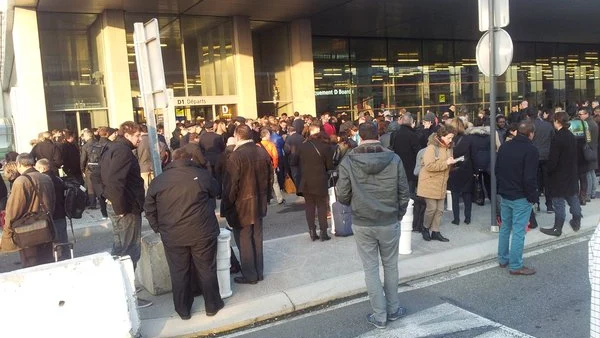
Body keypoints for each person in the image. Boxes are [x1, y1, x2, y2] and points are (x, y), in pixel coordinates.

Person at [336, 122, 410, 329]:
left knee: (370, 269)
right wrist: (399, 214)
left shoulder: (349, 160)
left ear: (359, 136)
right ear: (378, 135)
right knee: (390, 265)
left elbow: (342, 195)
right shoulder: (394, 158)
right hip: (388, 220)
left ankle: (380, 315)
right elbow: (404, 192)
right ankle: (393, 309)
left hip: (363, 221)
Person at [145, 148, 224, 320]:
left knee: (179, 271)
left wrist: (158, 227)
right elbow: (216, 190)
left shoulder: (159, 181)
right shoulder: (201, 175)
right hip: (202, 232)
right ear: (189, 159)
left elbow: (149, 208)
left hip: (173, 234)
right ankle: (212, 305)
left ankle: (183, 310)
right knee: (206, 268)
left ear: (172, 160)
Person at [100, 121, 151, 308]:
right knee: (129, 252)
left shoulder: (113, 148)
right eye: (138, 136)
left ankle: (119, 292)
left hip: (120, 205)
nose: (140, 139)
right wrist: (120, 208)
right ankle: (128, 295)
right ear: (127, 134)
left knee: (121, 249)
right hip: (126, 208)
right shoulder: (122, 151)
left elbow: (102, 176)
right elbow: (115, 181)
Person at [224, 124, 272, 284]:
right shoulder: (260, 151)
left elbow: (231, 185)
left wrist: (227, 207)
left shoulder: (236, 156)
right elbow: (270, 177)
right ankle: (258, 271)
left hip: (242, 205)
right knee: (257, 237)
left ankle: (250, 274)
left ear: (237, 136)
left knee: (244, 239)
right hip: (258, 201)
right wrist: (267, 198)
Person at [496, 121, 539, 276]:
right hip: (521, 195)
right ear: (531, 133)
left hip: (505, 193)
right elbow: (530, 177)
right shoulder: (531, 150)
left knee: (505, 227)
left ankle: (502, 259)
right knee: (519, 231)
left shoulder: (504, 146)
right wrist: (532, 196)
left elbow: (497, 170)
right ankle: (516, 265)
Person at [0, 153, 56, 267]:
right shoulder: (45, 177)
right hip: (45, 226)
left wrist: (7, 232)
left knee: (31, 264)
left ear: (19, 164)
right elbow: (52, 201)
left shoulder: (20, 181)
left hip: (27, 229)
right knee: (47, 263)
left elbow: (13, 210)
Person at [540, 111, 582, 237]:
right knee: (572, 197)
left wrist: (548, 170)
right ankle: (576, 220)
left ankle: (557, 228)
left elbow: (553, 160)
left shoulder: (557, 138)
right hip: (571, 173)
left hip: (559, 175)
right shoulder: (571, 136)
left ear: (557, 122)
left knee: (558, 202)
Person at [294, 125, 334, 241]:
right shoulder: (325, 146)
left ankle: (312, 230)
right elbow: (330, 166)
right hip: (320, 179)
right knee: (322, 206)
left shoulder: (302, 146)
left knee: (309, 206)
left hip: (306, 180)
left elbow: (295, 160)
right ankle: (323, 232)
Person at [417, 125, 456, 242]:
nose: (451, 140)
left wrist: (453, 163)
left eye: (451, 138)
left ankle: (435, 231)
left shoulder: (449, 148)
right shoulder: (432, 148)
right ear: (442, 136)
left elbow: (447, 164)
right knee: (432, 208)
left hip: (441, 182)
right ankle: (425, 228)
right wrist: (446, 163)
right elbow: (429, 166)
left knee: (440, 209)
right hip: (429, 182)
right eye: (449, 138)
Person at [35, 159, 68, 260]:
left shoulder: (42, 180)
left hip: (50, 212)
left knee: (51, 237)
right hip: (61, 211)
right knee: (62, 236)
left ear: (41, 168)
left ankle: (56, 257)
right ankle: (66, 255)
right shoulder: (58, 179)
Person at [447, 118, 474, 225]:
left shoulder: (449, 139)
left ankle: (456, 219)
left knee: (455, 195)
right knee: (467, 194)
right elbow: (472, 155)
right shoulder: (468, 139)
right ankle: (468, 218)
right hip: (467, 168)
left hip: (453, 169)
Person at [528, 108, 555, 213]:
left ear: (528, 116)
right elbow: (553, 139)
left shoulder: (529, 127)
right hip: (546, 155)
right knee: (547, 182)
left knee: (535, 181)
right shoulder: (548, 125)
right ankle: (549, 205)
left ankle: (537, 203)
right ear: (538, 114)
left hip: (534, 156)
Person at [391, 113, 421, 196]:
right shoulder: (412, 135)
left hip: (398, 165)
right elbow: (418, 151)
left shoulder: (396, 134)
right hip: (411, 167)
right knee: (410, 192)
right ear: (411, 122)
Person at [582, 108, 599, 200]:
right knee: (592, 172)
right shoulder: (593, 123)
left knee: (588, 172)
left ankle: (588, 193)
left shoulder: (587, 124)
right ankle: (592, 192)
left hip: (589, 150)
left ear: (587, 114)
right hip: (593, 149)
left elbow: (587, 138)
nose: (580, 116)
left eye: (581, 114)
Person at [80, 129, 98, 208]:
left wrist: (82, 169)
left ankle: (92, 203)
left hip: (89, 168)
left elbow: (83, 159)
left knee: (90, 187)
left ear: (87, 136)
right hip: (99, 166)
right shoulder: (98, 143)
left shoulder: (85, 146)